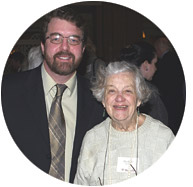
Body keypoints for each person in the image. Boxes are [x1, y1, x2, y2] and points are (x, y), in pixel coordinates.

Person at [1, 7, 105, 183]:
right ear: (42, 46)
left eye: (73, 40)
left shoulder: (99, 98)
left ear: (83, 48)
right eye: (56, 38)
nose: (65, 47)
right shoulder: (8, 91)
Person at [74, 61, 174, 185]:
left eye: (127, 91)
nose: (119, 98)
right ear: (103, 100)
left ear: (139, 98)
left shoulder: (163, 138)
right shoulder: (92, 138)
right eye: (112, 91)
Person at [119, 41, 168, 126]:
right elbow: (161, 126)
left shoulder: (116, 88)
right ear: (146, 65)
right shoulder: (149, 93)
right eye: (154, 63)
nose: (155, 68)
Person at [152, 36, 186, 135]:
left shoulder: (163, 62)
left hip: (167, 99)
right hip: (178, 98)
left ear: (159, 48)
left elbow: (160, 82)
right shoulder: (177, 58)